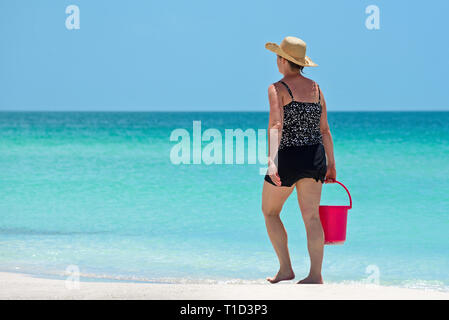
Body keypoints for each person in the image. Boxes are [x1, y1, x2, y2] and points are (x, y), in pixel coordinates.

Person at [262, 36, 337, 284]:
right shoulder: (316, 89)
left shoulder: (278, 88)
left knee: (270, 212)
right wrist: (331, 164)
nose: (276, 61)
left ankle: (285, 269)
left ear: (283, 60)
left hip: (288, 158)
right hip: (315, 157)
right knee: (312, 217)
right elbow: (325, 130)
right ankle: (315, 275)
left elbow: (276, 125)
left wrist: (272, 161)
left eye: (277, 57)